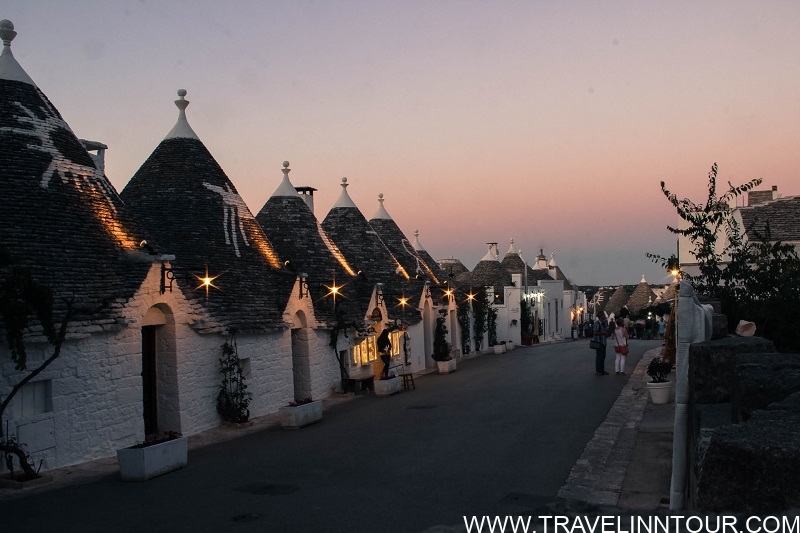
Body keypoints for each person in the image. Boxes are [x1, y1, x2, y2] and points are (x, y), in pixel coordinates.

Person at [592, 311, 612, 375]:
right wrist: (603, 333)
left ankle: (602, 370)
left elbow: (606, 330)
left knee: (603, 357)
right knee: (599, 357)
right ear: (601, 317)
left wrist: (608, 333)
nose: (605, 317)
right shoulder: (597, 323)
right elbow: (595, 332)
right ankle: (598, 370)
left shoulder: (605, 323)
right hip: (599, 342)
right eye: (603, 316)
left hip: (603, 342)